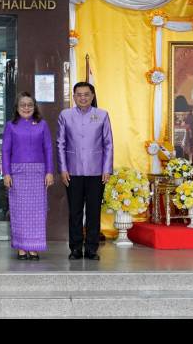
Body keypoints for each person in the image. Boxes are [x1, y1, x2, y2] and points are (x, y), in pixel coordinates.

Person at [58, 82, 113, 261]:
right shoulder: (65, 115)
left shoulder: (102, 115)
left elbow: (108, 144)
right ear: (74, 96)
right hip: (72, 170)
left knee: (93, 211)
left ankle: (91, 248)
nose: (82, 97)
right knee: (74, 211)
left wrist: (107, 169)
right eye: (79, 94)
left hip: (96, 170)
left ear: (92, 96)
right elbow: (61, 143)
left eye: (86, 94)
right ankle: (75, 248)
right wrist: (63, 168)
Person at [2, 92, 54, 261]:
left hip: (38, 173)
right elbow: (5, 150)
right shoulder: (11, 125)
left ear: (34, 107)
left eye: (29, 104)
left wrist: (49, 172)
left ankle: (34, 248)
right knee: (19, 212)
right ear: (17, 108)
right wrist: (6, 173)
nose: (26, 108)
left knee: (37, 212)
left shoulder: (42, 125)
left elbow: (48, 149)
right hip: (17, 173)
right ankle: (21, 248)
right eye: (22, 105)